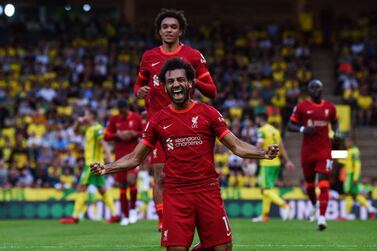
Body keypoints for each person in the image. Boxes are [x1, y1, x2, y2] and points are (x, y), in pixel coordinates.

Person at [91, 58, 279, 251]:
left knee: (223, 248)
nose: (176, 84)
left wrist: (262, 152)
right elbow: (135, 158)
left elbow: (236, 146)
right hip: (176, 193)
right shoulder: (158, 120)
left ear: (190, 83)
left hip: (207, 189)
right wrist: (107, 168)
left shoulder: (208, 113)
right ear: (164, 87)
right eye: (170, 81)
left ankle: (208, 244)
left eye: (181, 80)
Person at [133, 8, 217, 231]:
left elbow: (212, 92)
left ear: (180, 31)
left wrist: (192, 82)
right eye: (165, 27)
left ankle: (199, 216)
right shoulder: (149, 57)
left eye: (173, 27)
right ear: (159, 31)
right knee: (160, 175)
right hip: (158, 125)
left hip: (187, 124)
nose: (169, 30)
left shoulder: (192, 56)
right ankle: (163, 222)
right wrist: (139, 92)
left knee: (189, 176)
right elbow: (139, 85)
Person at [287, 79, 338, 231]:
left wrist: (336, 131)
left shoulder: (330, 107)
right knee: (309, 184)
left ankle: (322, 218)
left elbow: (335, 122)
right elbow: (290, 125)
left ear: (322, 90)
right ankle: (314, 205)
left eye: (318, 87)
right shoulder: (302, 107)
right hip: (308, 152)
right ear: (308, 91)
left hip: (325, 151)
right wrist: (302, 129)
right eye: (312, 87)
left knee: (323, 183)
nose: (315, 90)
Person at [60, 109, 120, 224]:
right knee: (102, 190)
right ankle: (115, 215)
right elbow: (75, 131)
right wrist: (78, 122)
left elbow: (104, 143)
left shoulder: (97, 129)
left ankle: (74, 216)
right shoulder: (88, 128)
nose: (85, 116)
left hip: (92, 164)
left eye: (86, 114)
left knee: (82, 187)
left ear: (92, 116)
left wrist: (111, 161)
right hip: (94, 164)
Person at [104, 99, 143, 225]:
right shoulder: (114, 119)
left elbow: (145, 133)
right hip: (119, 156)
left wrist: (133, 133)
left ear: (128, 108)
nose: (122, 115)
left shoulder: (136, 118)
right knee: (121, 185)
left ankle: (132, 211)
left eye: (124, 112)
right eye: (120, 112)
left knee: (131, 180)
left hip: (134, 156)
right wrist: (118, 135)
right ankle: (125, 215)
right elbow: (106, 136)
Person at [252, 113, 295, 223]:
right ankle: (265, 216)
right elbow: (282, 147)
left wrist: (250, 156)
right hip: (276, 162)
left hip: (267, 163)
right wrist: (288, 161)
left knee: (265, 190)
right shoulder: (275, 131)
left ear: (259, 119)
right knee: (267, 189)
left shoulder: (261, 130)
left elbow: (259, 145)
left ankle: (285, 205)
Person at [338, 136, 376, 219]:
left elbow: (357, 165)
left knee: (349, 194)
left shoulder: (355, 151)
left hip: (352, 176)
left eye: (347, 142)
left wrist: (355, 178)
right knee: (352, 195)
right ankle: (370, 209)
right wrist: (338, 159)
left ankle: (345, 215)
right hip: (349, 175)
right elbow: (347, 161)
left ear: (351, 142)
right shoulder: (350, 151)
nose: (346, 144)